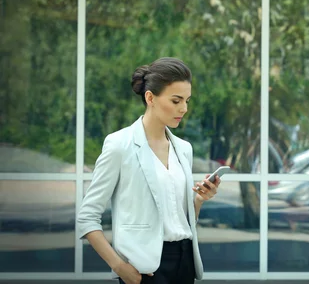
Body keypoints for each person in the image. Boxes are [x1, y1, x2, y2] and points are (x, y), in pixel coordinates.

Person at [77, 57, 221, 284]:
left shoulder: (183, 149)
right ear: (150, 97)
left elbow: (179, 220)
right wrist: (119, 267)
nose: (184, 108)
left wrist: (199, 200)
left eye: (187, 100)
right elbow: (87, 218)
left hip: (185, 263)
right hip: (144, 269)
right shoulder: (119, 145)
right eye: (176, 101)